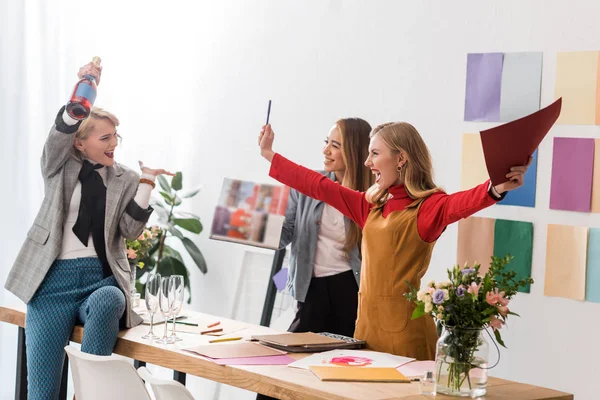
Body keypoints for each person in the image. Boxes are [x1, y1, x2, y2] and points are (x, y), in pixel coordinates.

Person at [258, 121, 530, 360]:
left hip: (405, 334)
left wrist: (495, 188)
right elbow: (319, 185)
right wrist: (271, 156)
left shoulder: (427, 209)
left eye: (375, 154)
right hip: (364, 329)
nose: (367, 163)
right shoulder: (370, 206)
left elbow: (461, 203)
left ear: (401, 158)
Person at [4, 62, 173, 399]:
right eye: (106, 137)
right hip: (51, 281)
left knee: (111, 298)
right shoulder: (58, 165)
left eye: (116, 137)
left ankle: (91, 391)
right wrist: (86, 84)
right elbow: (60, 134)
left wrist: (147, 183)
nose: (115, 144)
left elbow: (129, 229)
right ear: (80, 144)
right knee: (43, 392)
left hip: (99, 276)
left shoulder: (123, 176)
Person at [280, 118, 372, 338]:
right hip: (311, 289)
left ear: (354, 151)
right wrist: (255, 229)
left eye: (335, 146)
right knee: (295, 356)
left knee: (344, 361)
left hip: (350, 288)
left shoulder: (371, 196)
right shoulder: (307, 186)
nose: (326, 150)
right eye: (326, 142)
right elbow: (285, 234)